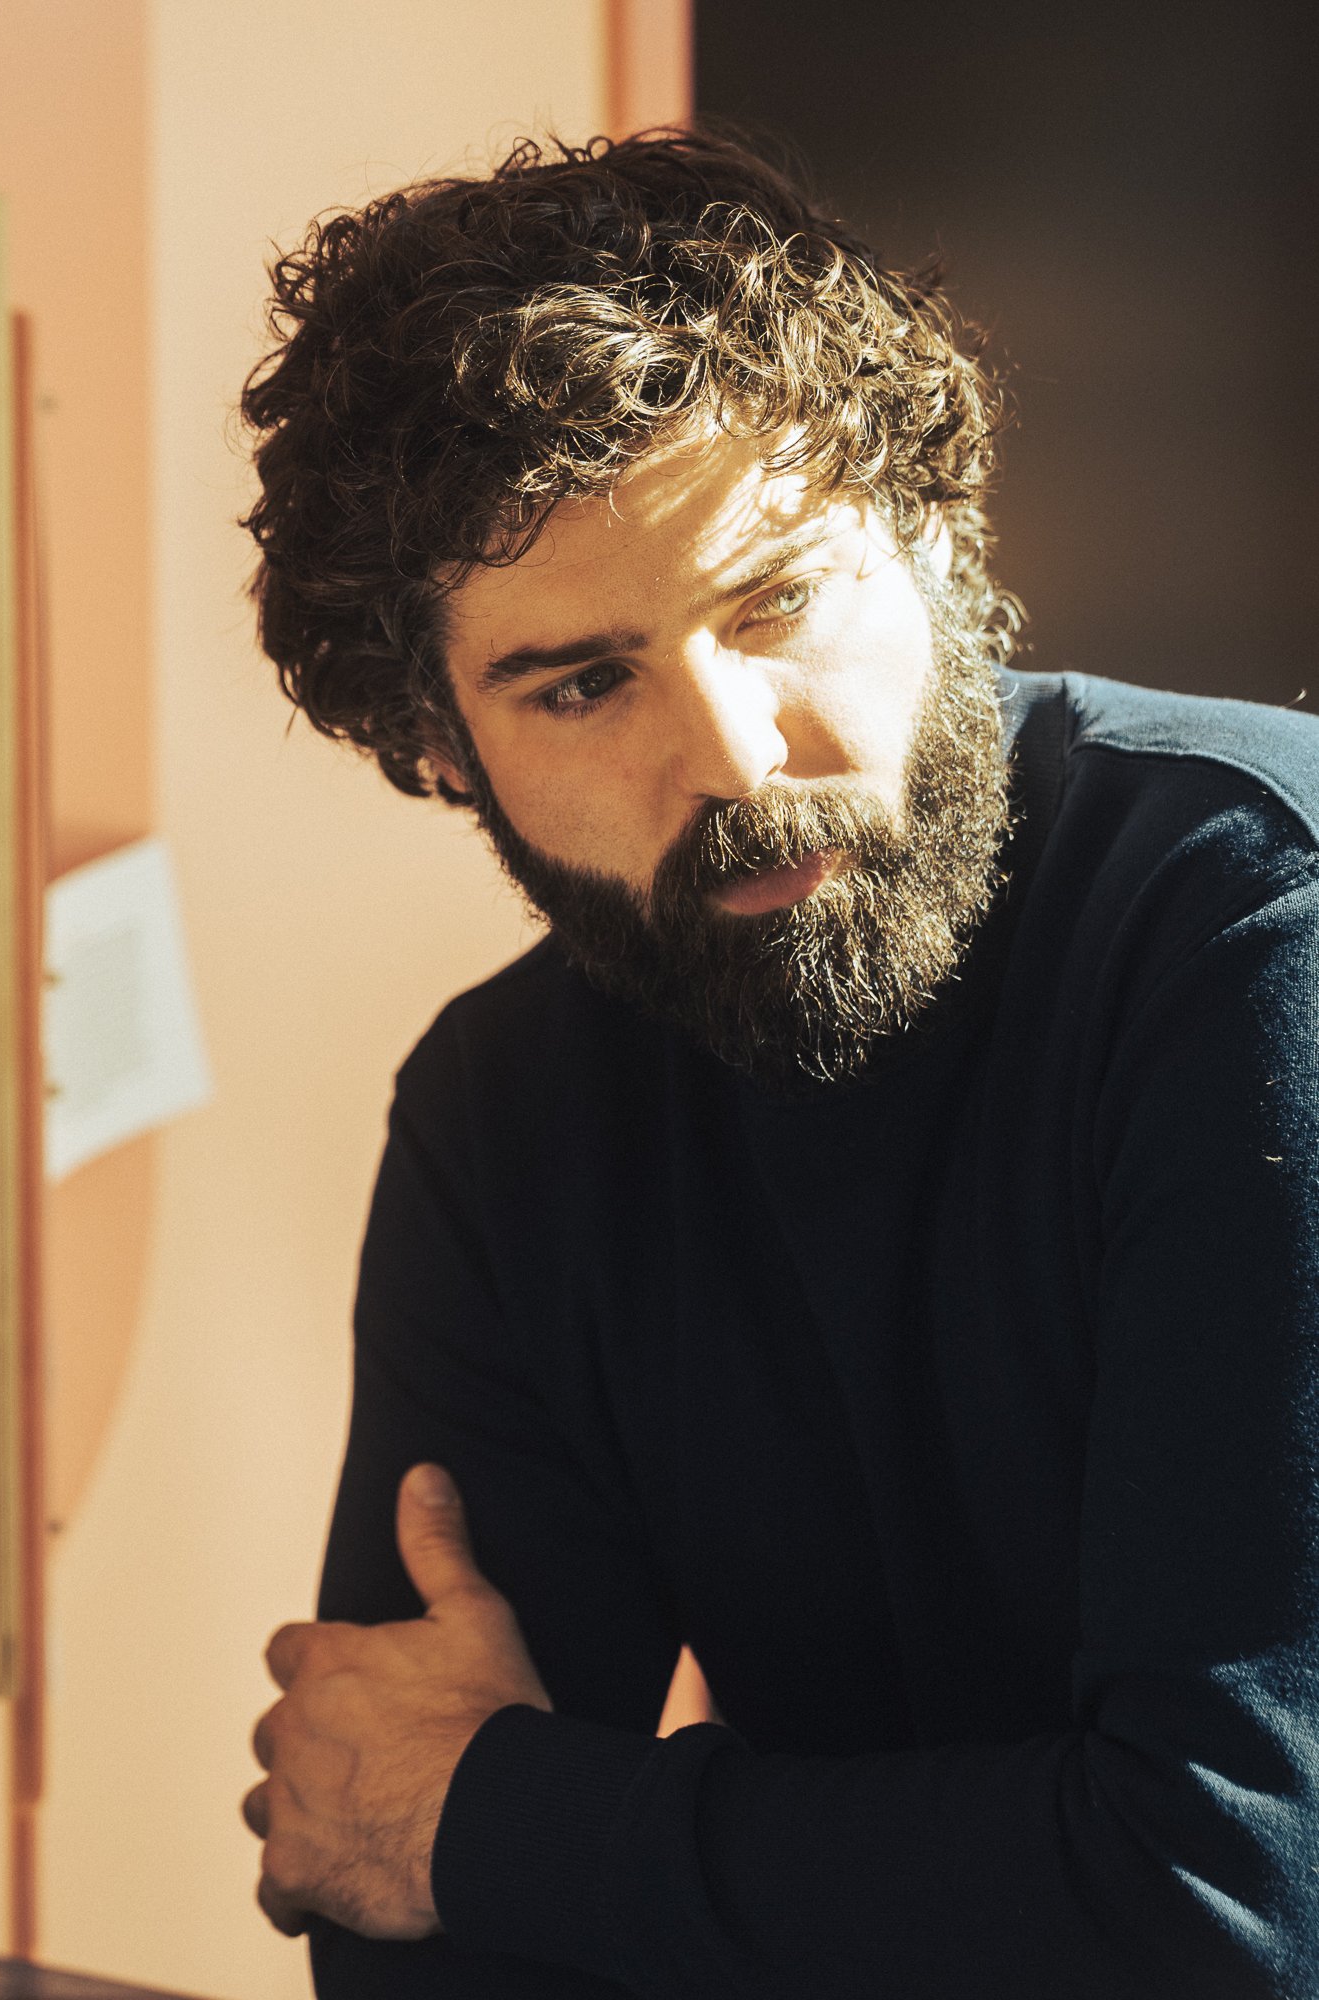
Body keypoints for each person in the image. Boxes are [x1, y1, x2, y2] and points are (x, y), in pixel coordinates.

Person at [238, 131, 1319, 1998]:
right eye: (583, 682)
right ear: (436, 744)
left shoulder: (1253, 935)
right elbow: (376, 1865)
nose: (735, 754)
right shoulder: (504, 1117)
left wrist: (512, 1824)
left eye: (776, 601)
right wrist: (479, 1837)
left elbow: (1231, 1903)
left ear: (931, 530)